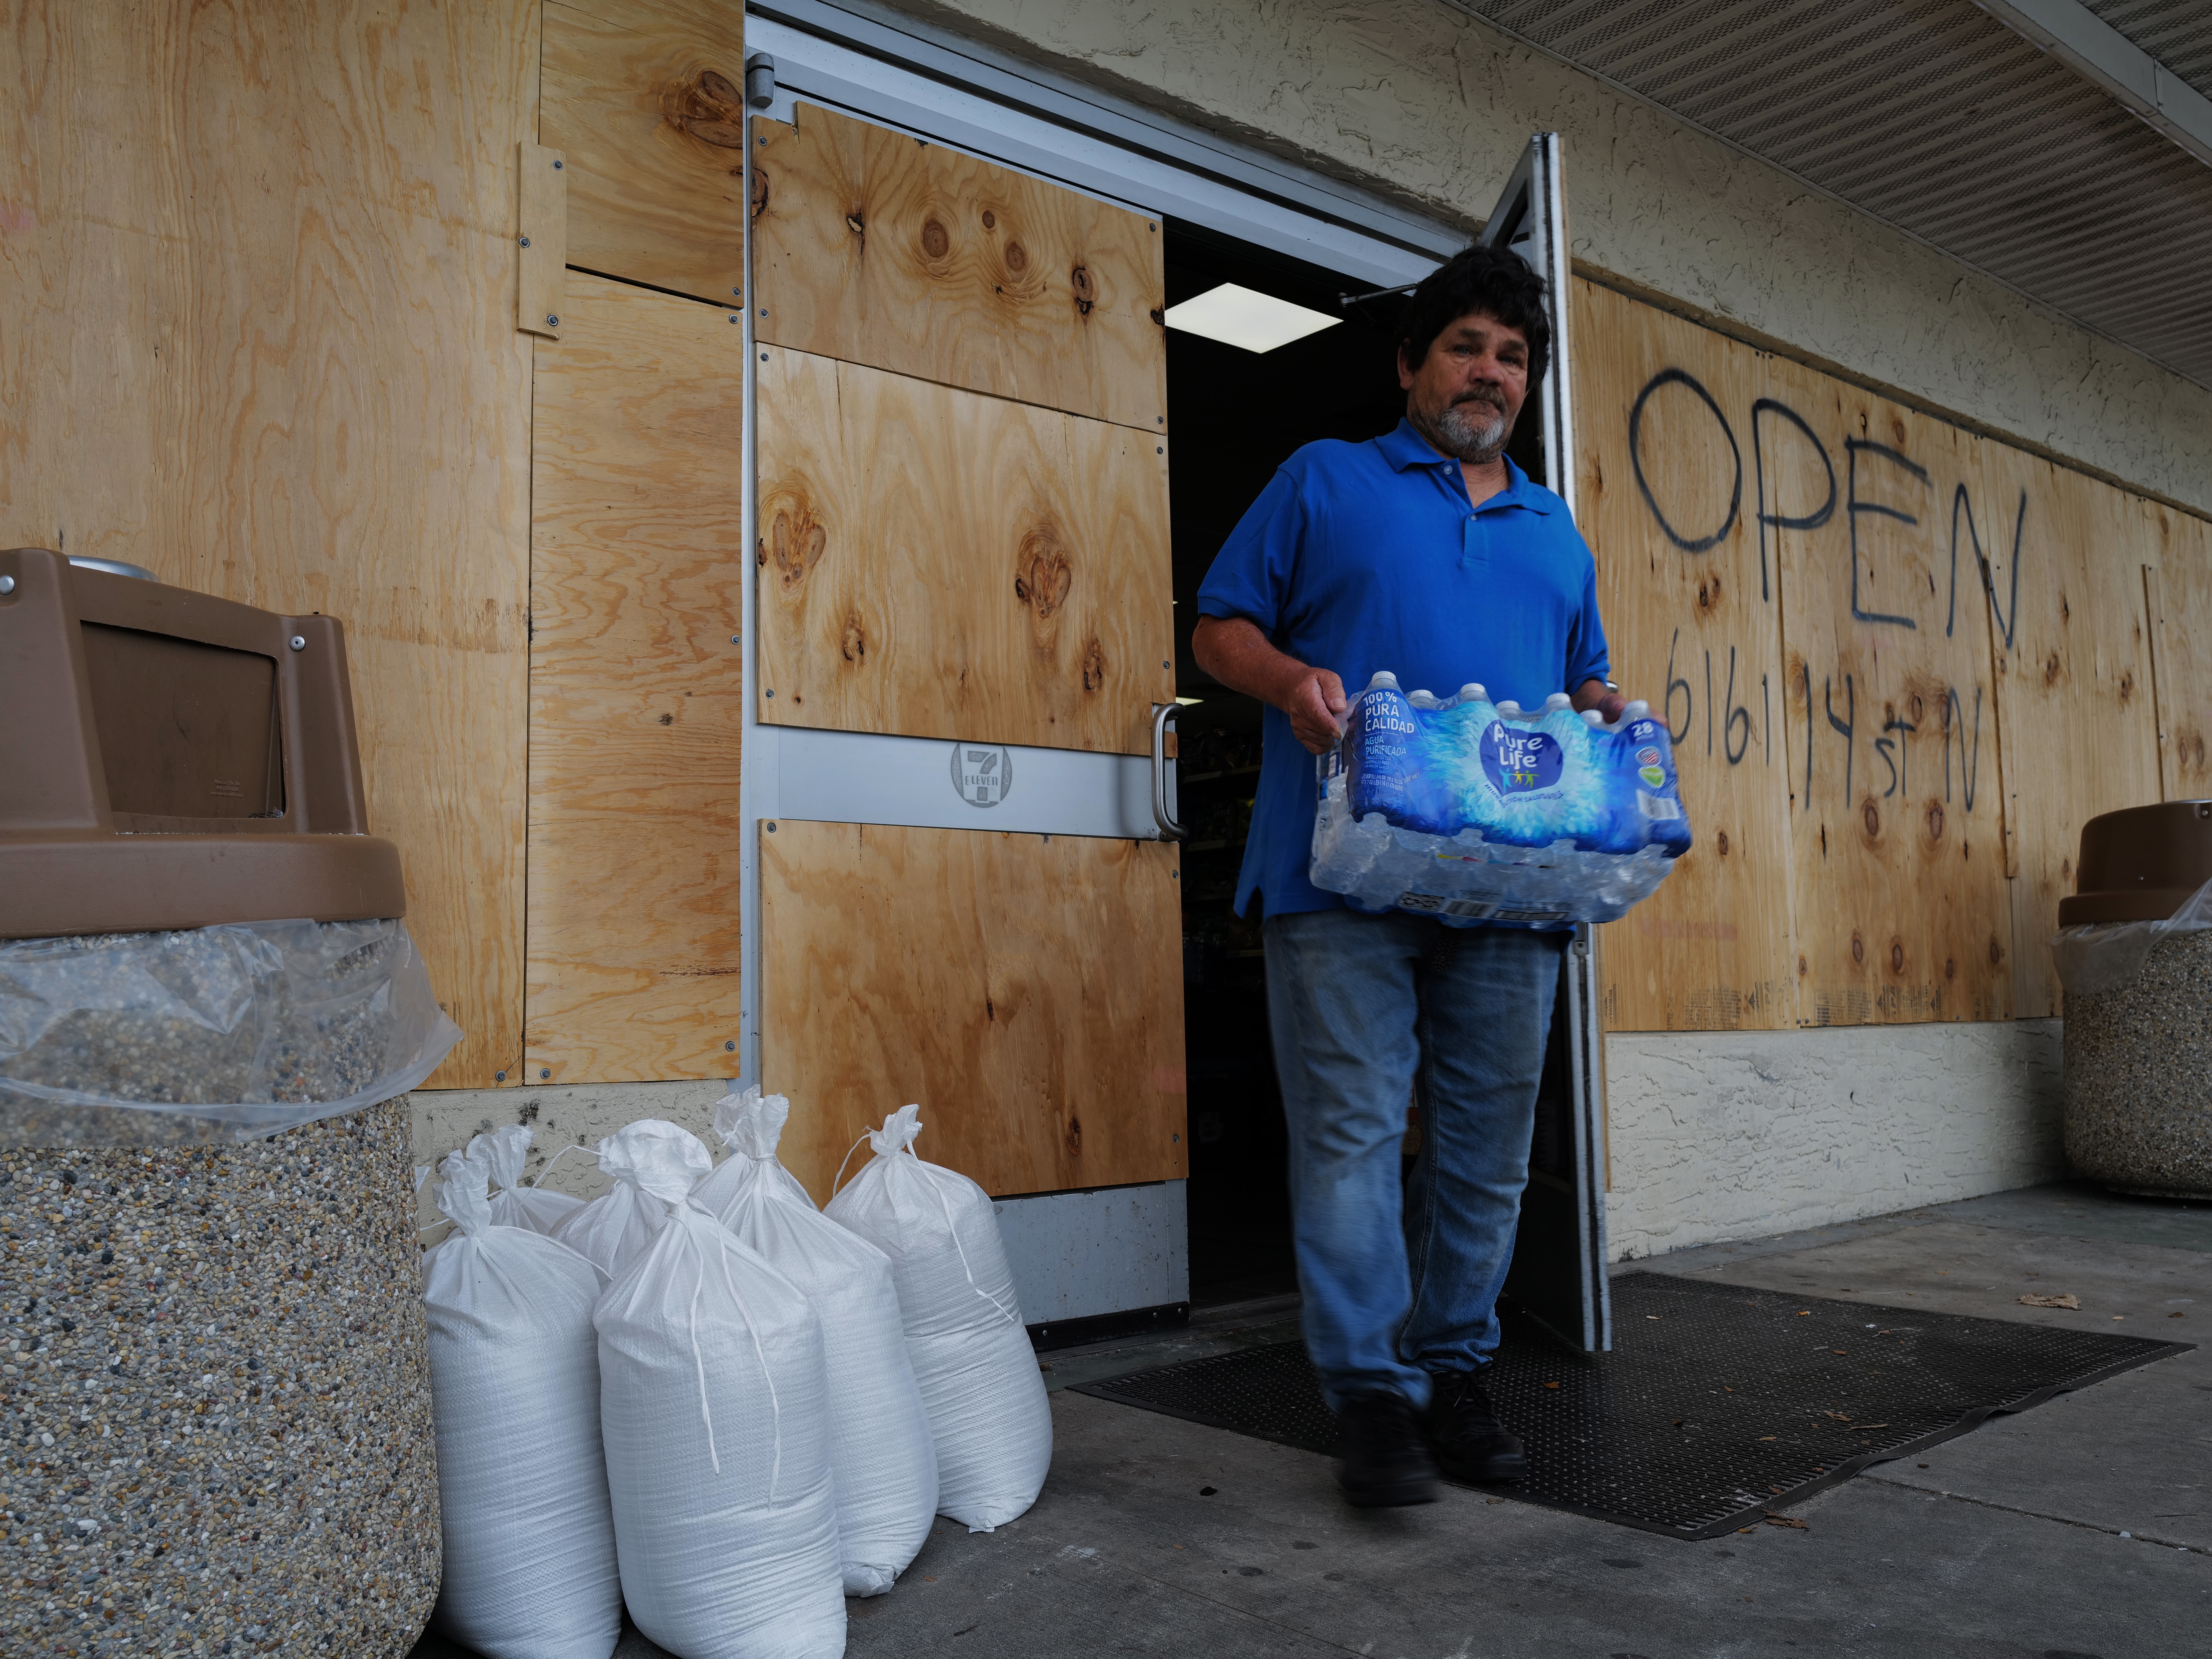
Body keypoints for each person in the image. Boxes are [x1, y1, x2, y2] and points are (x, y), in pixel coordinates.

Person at [1191, 244, 1627, 1509]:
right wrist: (1284, 682)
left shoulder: (1553, 528)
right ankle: (1371, 1395)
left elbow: (1581, 674)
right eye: (1463, 346)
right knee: (1350, 1137)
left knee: (1487, 1149)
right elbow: (1218, 628)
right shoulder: (1323, 481)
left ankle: (1453, 1367)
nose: (1487, 371)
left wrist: (1610, 716)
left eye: (1510, 354)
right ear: (1407, 365)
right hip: (1338, 880)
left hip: (1509, 888)